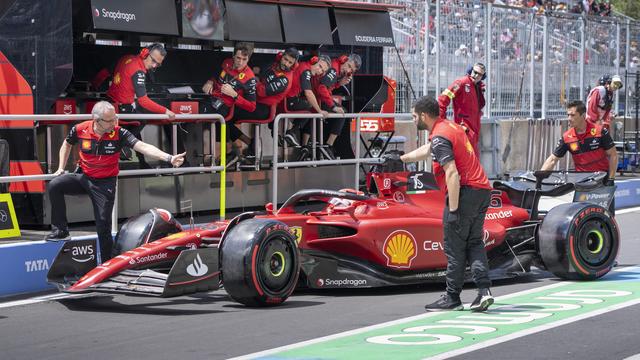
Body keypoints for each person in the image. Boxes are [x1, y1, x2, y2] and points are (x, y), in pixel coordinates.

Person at [45, 101, 186, 263]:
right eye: (110, 120)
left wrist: (168, 158)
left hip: (105, 183)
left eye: (115, 118)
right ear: (96, 120)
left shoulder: (120, 133)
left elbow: (143, 146)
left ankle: (107, 264)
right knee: (56, 184)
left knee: (103, 225)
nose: (114, 122)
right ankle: (60, 230)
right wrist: (61, 168)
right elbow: (67, 143)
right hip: (83, 177)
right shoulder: (80, 128)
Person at [402, 96, 494, 312]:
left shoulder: (440, 137)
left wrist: (453, 210)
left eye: (415, 116)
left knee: (454, 247)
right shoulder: (448, 127)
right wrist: (403, 159)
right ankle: (484, 291)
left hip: (465, 194)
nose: (414, 120)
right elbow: (429, 150)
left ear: (424, 116)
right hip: (482, 190)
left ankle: (452, 297)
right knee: (474, 243)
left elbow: (451, 173)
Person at [541, 100, 618, 213]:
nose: (569, 118)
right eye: (568, 115)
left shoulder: (600, 131)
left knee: (606, 218)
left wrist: (611, 179)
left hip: (603, 182)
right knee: (582, 218)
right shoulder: (567, 137)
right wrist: (539, 178)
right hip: (582, 185)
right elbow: (552, 159)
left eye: (572, 115)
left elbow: (613, 155)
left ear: (583, 115)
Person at [106, 43, 176, 166]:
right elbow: (143, 100)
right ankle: (121, 144)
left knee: (136, 122)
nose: (153, 65)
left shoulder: (127, 58)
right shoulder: (138, 71)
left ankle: (142, 162)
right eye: (153, 61)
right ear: (145, 53)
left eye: (157, 64)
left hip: (110, 103)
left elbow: (108, 71)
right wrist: (166, 111)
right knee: (142, 119)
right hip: (121, 109)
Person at [232, 47, 299, 156]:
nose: (286, 63)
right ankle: (250, 144)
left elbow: (261, 91)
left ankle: (243, 146)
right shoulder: (275, 64)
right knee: (226, 110)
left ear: (294, 64)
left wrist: (251, 80)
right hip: (254, 103)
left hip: (263, 109)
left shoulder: (284, 80)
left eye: (290, 62)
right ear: (282, 56)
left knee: (226, 115)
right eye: (285, 59)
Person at [201, 42, 257, 167]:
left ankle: (217, 158)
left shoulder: (249, 78)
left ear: (248, 59)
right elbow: (216, 76)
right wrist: (210, 81)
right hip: (211, 98)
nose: (240, 62)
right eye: (238, 58)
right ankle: (230, 154)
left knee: (209, 118)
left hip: (225, 106)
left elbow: (252, 107)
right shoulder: (226, 62)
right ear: (233, 56)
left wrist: (235, 95)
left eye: (244, 59)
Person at [304, 54, 362, 160]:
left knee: (315, 117)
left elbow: (328, 86)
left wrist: (340, 83)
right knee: (343, 113)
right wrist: (332, 106)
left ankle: (305, 146)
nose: (348, 70)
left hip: (315, 99)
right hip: (317, 99)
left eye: (351, 70)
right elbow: (322, 88)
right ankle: (328, 146)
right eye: (348, 65)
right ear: (343, 59)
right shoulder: (333, 70)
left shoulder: (336, 69)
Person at [282, 55, 331, 157]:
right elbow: (308, 92)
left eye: (322, 70)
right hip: (286, 101)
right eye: (320, 66)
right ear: (314, 61)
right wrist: (320, 111)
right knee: (311, 107)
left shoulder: (305, 68)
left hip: (286, 100)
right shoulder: (306, 70)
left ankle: (294, 134)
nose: (319, 70)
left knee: (310, 108)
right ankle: (292, 132)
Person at [437, 62, 486, 156]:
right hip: (464, 128)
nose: (476, 76)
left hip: (474, 130)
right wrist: (442, 120)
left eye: (480, 74)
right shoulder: (461, 83)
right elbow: (444, 98)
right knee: (468, 159)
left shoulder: (478, 87)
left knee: (473, 159)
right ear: (471, 70)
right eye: (475, 72)